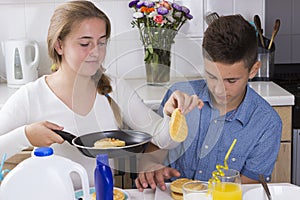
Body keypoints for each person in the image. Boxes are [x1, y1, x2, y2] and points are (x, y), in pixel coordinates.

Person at [0, 0, 203, 189]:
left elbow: (163, 139)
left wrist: (172, 116)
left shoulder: (114, 88)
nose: (95, 52)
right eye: (84, 43)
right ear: (59, 45)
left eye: (101, 42)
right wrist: (26, 135)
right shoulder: (30, 97)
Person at [135, 14, 282, 191]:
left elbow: (247, 190)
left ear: (253, 70)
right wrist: (150, 167)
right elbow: (153, 152)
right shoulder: (179, 96)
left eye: (231, 80)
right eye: (212, 76)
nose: (219, 89)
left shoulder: (267, 123)